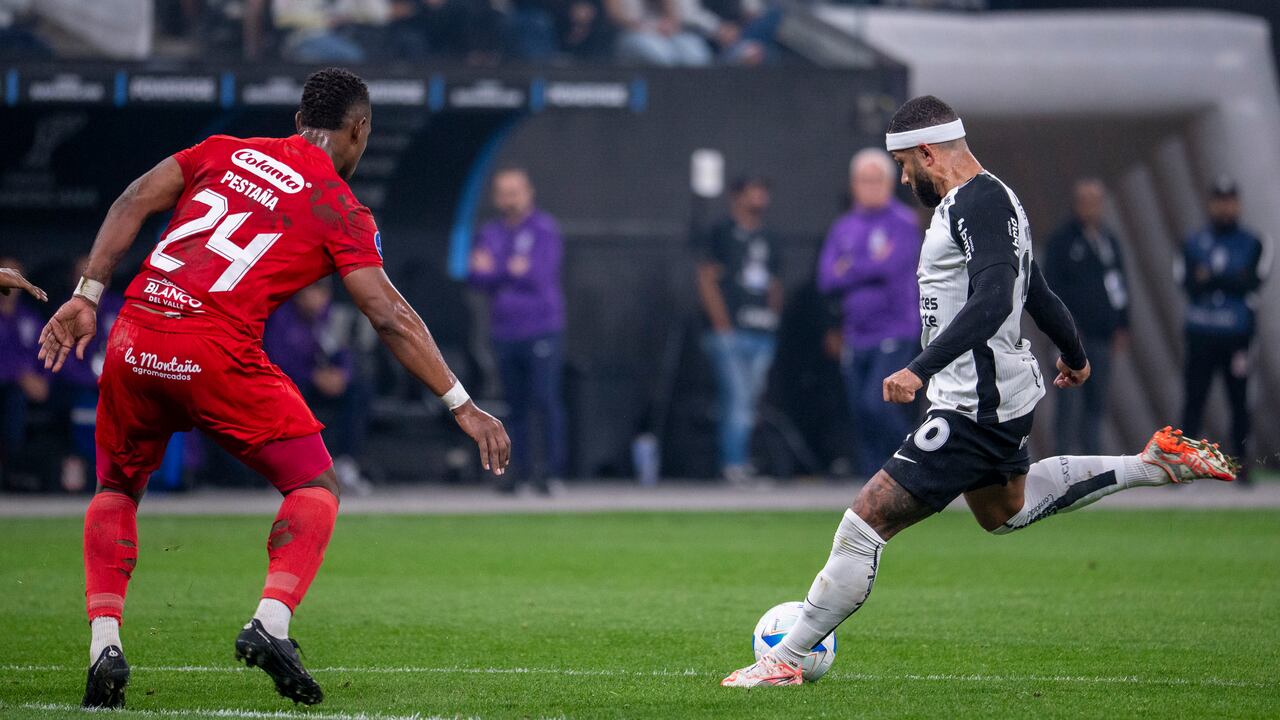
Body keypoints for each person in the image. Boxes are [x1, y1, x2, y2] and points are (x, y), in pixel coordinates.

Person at [721, 95, 1237, 688]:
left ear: (927, 153)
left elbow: (996, 299)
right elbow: (1034, 287)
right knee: (1002, 510)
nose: (903, 179)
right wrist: (1074, 352)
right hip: (993, 395)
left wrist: (920, 365)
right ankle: (1150, 464)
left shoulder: (980, 202)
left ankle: (784, 659)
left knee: (863, 524)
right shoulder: (992, 199)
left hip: (972, 404)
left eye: (906, 167)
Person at [38, 67, 510, 709]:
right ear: (359, 129)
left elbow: (131, 200)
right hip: (213, 350)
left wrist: (87, 295)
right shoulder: (341, 209)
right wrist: (462, 403)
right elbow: (388, 315)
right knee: (315, 484)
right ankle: (271, 621)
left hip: (134, 335)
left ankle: (105, 646)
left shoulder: (222, 151)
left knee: (117, 488)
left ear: (297, 122)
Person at [817, 148, 921, 477]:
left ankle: (917, 461)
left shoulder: (903, 222)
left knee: (876, 403)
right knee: (859, 412)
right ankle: (873, 482)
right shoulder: (843, 226)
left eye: (877, 180)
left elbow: (891, 268)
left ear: (890, 183)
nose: (870, 186)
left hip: (894, 329)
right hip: (856, 333)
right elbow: (826, 278)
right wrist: (869, 266)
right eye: (864, 180)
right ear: (853, 184)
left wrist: (851, 267)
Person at [468, 168, 567, 494]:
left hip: (541, 328)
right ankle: (519, 472)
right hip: (504, 331)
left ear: (528, 193)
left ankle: (551, 473)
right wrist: (508, 269)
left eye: (515, 191)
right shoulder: (491, 231)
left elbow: (537, 274)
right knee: (515, 405)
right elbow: (476, 277)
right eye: (504, 192)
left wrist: (497, 269)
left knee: (545, 399)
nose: (510, 199)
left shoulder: (543, 229)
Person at [1177, 177, 1271, 483]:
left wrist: (1213, 277)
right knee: (1194, 400)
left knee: (1240, 402)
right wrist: (1229, 278)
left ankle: (1240, 466)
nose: (1225, 206)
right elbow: (1187, 283)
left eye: (1230, 199)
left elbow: (1251, 282)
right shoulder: (1193, 242)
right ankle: (1183, 466)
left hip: (1237, 337)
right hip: (1201, 334)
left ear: (1238, 203)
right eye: (1219, 200)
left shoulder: (1253, 242)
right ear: (1210, 203)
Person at [696, 175, 783, 484]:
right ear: (736, 197)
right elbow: (706, 278)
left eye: (762, 192)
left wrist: (773, 317)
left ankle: (741, 459)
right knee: (737, 398)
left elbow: (774, 283)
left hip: (761, 331)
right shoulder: (721, 233)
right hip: (731, 333)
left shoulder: (769, 238)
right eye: (752, 192)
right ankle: (733, 463)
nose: (759, 199)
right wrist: (722, 324)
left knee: (750, 401)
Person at [1042, 178, 1130, 456]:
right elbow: (1049, 290)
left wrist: (1122, 323)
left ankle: (1093, 465)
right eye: (1086, 201)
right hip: (1071, 340)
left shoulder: (1108, 241)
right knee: (1068, 404)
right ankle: (1062, 464)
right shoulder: (1061, 242)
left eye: (1096, 201)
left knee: (1096, 405)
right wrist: (1061, 332)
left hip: (1102, 337)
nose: (1091, 207)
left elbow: (1120, 284)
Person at [264, 280, 371, 495]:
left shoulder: (331, 317)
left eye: (322, 293)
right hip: (294, 383)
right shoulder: (281, 316)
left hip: (323, 384)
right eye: (311, 292)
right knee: (286, 394)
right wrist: (313, 376)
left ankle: (345, 463)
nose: (317, 299)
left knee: (359, 389)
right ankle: (288, 468)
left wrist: (342, 375)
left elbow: (343, 352)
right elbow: (276, 360)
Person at [0, 257, 49, 488]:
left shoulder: (29, 317)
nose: (12, 282)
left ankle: (17, 472)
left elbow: (45, 353)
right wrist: (18, 374)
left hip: (25, 389)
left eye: (16, 277)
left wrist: (43, 380)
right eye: (8, 275)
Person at [605, 0, 712, 66]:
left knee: (694, 52)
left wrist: (668, 25)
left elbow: (673, 18)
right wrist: (649, 27)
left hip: (663, 33)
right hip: (631, 33)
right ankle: (664, 96)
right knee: (660, 54)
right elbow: (616, 17)